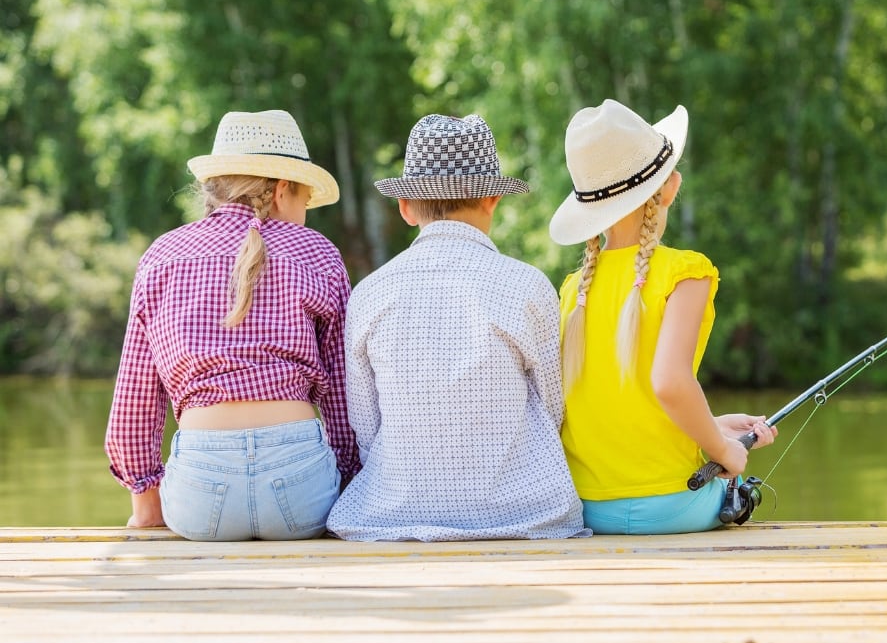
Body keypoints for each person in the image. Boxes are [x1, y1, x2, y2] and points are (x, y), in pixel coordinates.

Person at [326, 114, 588, 542]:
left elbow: (366, 427)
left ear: (406, 208)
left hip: (393, 515)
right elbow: (554, 408)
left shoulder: (370, 293)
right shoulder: (527, 285)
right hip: (524, 513)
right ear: (492, 200)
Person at [105, 109, 361, 540]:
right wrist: (349, 483)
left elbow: (135, 399)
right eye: (304, 201)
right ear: (282, 191)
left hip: (199, 500)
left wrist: (146, 503)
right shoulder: (316, 252)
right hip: (301, 493)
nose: (305, 215)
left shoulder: (162, 256)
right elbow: (343, 393)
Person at [549, 99, 776, 535]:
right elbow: (669, 383)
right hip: (674, 506)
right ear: (670, 187)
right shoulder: (685, 273)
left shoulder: (572, 290)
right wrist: (725, 453)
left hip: (588, 508)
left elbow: (621, 403)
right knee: (740, 489)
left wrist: (712, 425)